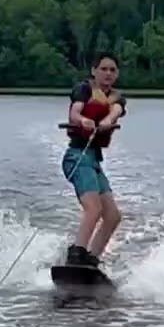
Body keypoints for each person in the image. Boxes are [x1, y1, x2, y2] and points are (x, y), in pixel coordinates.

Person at [62, 52, 127, 269]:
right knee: (94, 208)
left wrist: (108, 120)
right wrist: (83, 120)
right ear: (94, 71)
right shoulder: (83, 90)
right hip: (77, 157)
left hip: (94, 160)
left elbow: (115, 111)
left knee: (113, 216)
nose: (108, 73)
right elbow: (75, 113)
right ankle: (76, 254)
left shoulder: (117, 99)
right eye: (103, 69)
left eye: (112, 70)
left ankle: (91, 260)